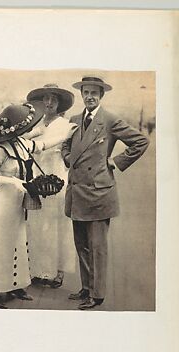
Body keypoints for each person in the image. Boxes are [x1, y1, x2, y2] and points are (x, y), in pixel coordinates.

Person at [0, 102, 77, 308]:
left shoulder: (21, 144)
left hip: (17, 202)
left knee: (18, 241)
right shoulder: (0, 148)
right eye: (25, 128)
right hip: (2, 202)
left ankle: (16, 285)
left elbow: (42, 146)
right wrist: (17, 182)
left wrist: (65, 136)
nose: (28, 131)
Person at [61, 75, 150, 309]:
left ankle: (97, 294)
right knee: (81, 243)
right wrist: (68, 158)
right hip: (77, 189)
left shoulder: (109, 119)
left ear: (101, 96)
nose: (89, 97)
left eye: (94, 93)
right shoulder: (74, 119)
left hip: (98, 192)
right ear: (82, 94)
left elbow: (140, 141)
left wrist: (116, 161)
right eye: (86, 92)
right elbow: (66, 144)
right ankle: (86, 287)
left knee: (97, 247)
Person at [25, 83, 76, 288]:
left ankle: (58, 271)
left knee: (57, 225)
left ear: (59, 103)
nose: (48, 103)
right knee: (37, 224)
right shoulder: (36, 125)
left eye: (53, 100)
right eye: (45, 99)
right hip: (37, 175)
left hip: (57, 175)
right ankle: (38, 270)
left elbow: (66, 147)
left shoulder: (66, 126)